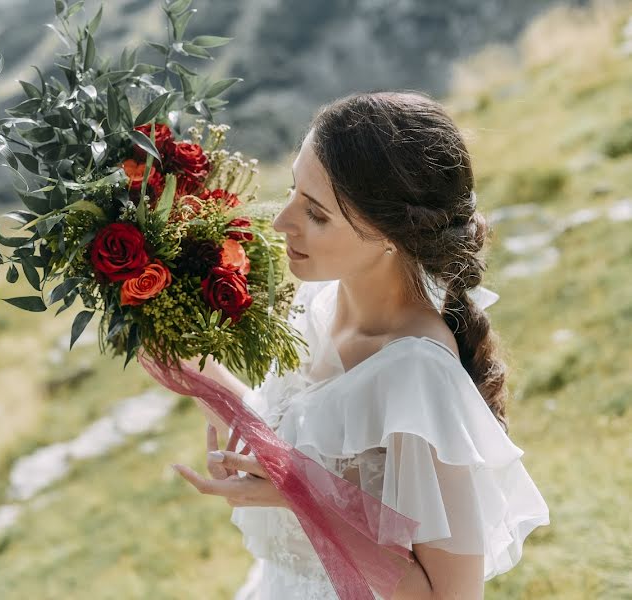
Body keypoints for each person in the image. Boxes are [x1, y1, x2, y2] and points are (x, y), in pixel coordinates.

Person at [167, 91, 551, 599]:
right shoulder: (318, 301)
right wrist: (188, 367)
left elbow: (449, 596)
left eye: (317, 214)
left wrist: (298, 493)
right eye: (293, 192)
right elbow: (285, 440)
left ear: (392, 235)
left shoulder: (416, 371)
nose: (282, 222)